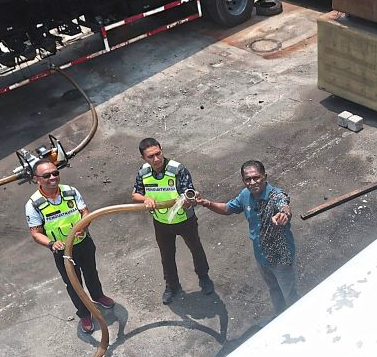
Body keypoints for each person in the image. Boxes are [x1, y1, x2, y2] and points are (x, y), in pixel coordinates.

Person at [197, 159, 298, 315]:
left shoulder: (276, 195)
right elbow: (227, 208)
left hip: (281, 258)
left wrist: (284, 214)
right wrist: (207, 203)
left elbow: (284, 205)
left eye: (256, 177)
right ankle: (280, 317)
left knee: (290, 295)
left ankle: (296, 321)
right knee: (274, 289)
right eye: (247, 179)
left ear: (265, 176)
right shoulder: (245, 195)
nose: (252, 182)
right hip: (262, 257)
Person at [26, 161, 115, 333]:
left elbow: (85, 212)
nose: (52, 177)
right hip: (63, 252)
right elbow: (35, 233)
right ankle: (84, 313)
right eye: (46, 175)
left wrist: (83, 226)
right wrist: (52, 244)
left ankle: (97, 296)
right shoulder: (33, 204)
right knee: (73, 284)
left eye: (55, 173)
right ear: (37, 179)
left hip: (84, 243)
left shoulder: (70, 191)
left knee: (91, 273)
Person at [131, 137, 214, 304]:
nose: (156, 159)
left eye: (158, 154)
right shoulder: (143, 172)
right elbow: (135, 194)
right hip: (161, 223)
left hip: (184, 220)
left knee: (196, 249)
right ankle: (172, 285)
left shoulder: (178, 170)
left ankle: (204, 277)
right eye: (150, 157)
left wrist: (188, 200)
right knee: (166, 255)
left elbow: (188, 194)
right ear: (143, 158)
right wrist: (145, 198)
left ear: (162, 149)